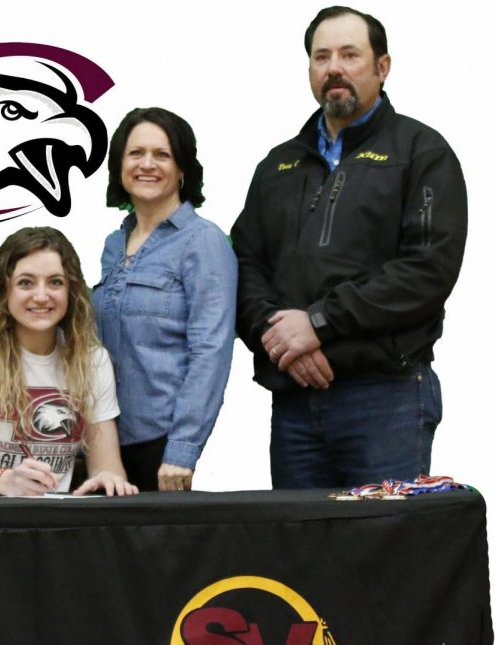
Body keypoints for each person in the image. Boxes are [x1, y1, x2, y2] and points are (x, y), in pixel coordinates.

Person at [231, 6, 467, 489]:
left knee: (384, 553)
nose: (334, 67)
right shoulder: (278, 166)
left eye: (349, 54)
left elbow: (427, 272)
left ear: (383, 66)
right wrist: (281, 341)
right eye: (321, 57)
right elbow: (243, 264)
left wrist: (318, 323)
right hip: (294, 404)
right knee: (297, 559)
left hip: (386, 399)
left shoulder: (422, 153)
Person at [0, 227, 137, 497]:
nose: (42, 296)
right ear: (4, 290)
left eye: (55, 282)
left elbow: (107, 465)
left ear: (71, 291)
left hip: (53, 524)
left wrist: (108, 478)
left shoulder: (92, 360)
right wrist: (4, 480)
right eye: (26, 282)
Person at [92, 108, 238, 492]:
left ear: (183, 168)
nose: (147, 164)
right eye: (135, 153)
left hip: (161, 446)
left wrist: (182, 450)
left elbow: (211, 352)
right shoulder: (112, 244)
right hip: (104, 442)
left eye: (162, 154)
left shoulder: (203, 242)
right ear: (119, 165)